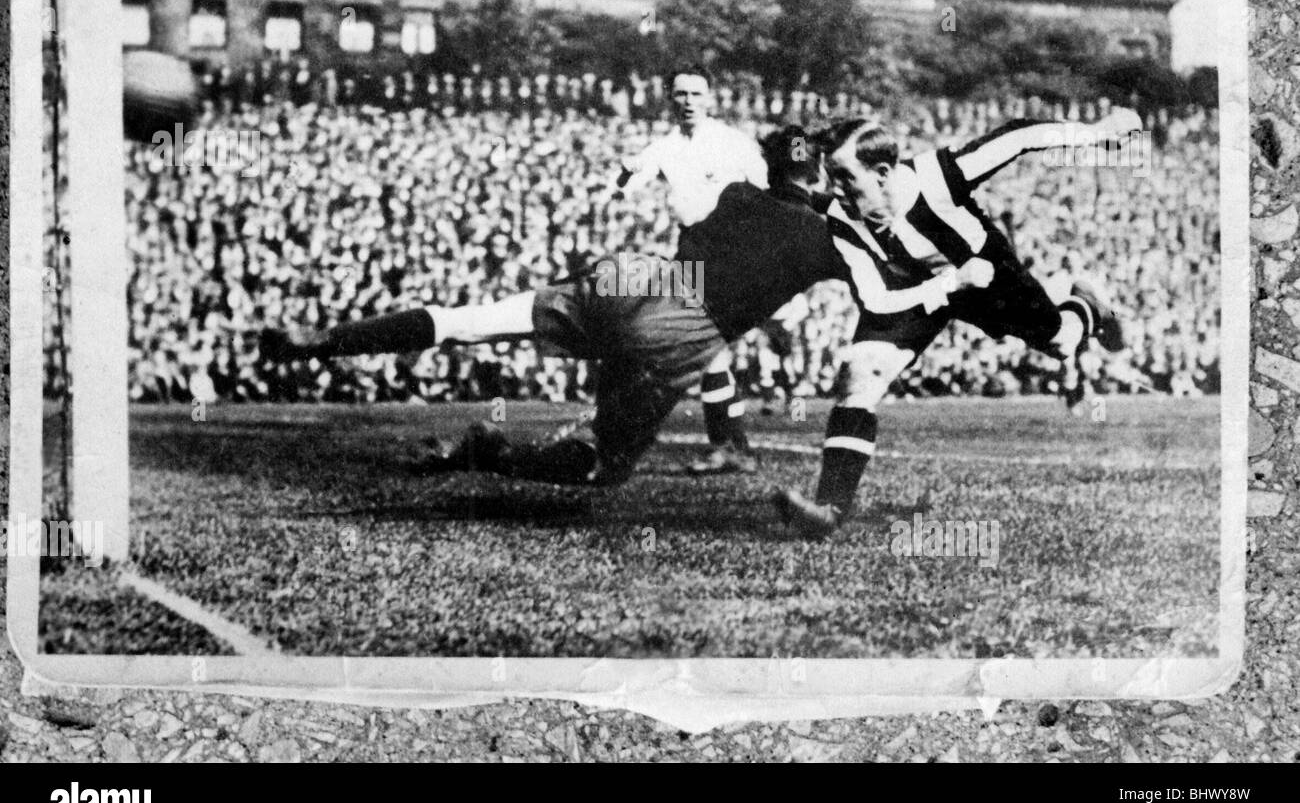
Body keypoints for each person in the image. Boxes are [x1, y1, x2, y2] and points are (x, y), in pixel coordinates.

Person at [258, 127, 990, 489]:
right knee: (602, 471)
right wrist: (956, 277)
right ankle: (488, 450)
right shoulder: (827, 233)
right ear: (822, 178)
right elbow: (886, 290)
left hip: (633, 278)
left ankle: (321, 340)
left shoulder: (736, 195)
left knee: (469, 320)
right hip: (680, 329)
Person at [774, 111, 1141, 538]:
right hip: (919, 287)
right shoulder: (843, 216)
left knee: (1062, 343)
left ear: (882, 173)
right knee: (861, 370)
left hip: (989, 276)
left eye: (844, 177)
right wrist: (950, 282)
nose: (834, 189)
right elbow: (877, 300)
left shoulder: (938, 175)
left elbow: (1017, 137)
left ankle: (1085, 304)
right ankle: (829, 508)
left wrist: (1094, 135)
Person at [616, 65, 768, 474]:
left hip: (727, 246)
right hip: (691, 248)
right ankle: (733, 446)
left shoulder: (733, 143)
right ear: (670, 97)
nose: (688, 102)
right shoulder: (663, 146)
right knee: (707, 349)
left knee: (705, 344)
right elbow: (625, 184)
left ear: (710, 98)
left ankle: (729, 446)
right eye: (681, 94)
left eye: (697, 94)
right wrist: (623, 173)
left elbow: (767, 193)